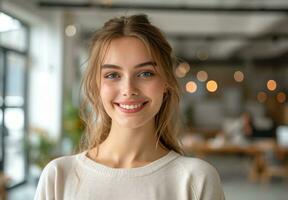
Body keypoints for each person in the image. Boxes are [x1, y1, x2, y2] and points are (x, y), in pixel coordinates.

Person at [34, 14, 225, 200]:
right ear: (96, 85)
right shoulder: (59, 176)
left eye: (145, 74)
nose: (128, 89)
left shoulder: (197, 179)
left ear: (166, 83)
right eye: (112, 75)